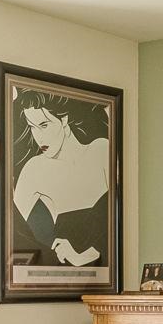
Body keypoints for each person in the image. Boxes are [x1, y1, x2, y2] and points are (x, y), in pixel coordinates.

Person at [12, 94, 109, 266]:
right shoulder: (33, 169)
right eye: (32, 127)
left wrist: (83, 256)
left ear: (64, 120)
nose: (38, 137)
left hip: (105, 275)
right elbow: (16, 237)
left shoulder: (101, 150)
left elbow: (115, 226)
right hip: (65, 273)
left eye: (44, 125)